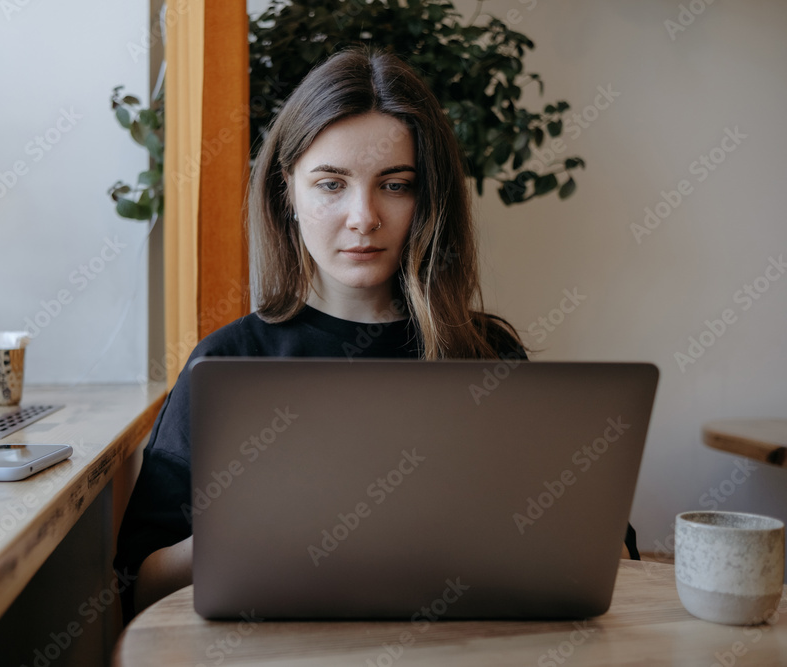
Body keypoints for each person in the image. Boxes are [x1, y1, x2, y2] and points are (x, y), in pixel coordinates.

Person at [114, 48, 634, 622]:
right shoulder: (228, 363)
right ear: (288, 191)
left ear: (427, 198)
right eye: (331, 184)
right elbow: (139, 585)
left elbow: (607, 548)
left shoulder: (487, 356)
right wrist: (245, 534)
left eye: (394, 184)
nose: (363, 216)